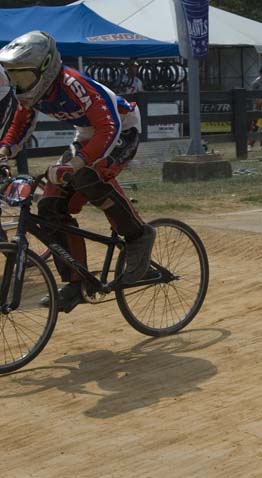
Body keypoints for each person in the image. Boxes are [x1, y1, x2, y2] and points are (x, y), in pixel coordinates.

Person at [0, 31, 155, 313]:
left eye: (24, 76)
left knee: (88, 176)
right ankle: (76, 281)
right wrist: (4, 151)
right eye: (14, 77)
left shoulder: (73, 84)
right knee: (49, 205)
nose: (19, 84)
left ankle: (138, 235)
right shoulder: (32, 92)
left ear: (46, 67)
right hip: (86, 135)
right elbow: (20, 126)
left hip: (121, 129)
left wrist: (75, 164)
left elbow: (109, 127)